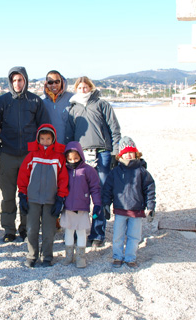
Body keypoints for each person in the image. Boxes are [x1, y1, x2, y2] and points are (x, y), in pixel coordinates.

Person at [0, 66, 51, 242]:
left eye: (20, 80)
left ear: (25, 80)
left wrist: (38, 153)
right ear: (10, 82)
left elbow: (44, 128)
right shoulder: (1, 101)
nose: (17, 83)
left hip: (29, 156)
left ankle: (25, 228)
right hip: (7, 155)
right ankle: (9, 230)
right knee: (8, 195)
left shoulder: (35, 101)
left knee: (27, 193)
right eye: (14, 80)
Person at [65, 76, 121, 247]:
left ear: (90, 87)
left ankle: (98, 233)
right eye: (80, 87)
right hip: (80, 157)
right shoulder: (72, 109)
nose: (83, 89)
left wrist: (115, 153)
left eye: (85, 87)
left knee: (101, 194)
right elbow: (69, 134)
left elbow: (115, 129)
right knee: (79, 193)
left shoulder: (102, 104)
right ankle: (77, 230)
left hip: (102, 152)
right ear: (76, 89)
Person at [17, 124, 69, 268]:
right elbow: (23, 176)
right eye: (42, 138)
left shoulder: (59, 157)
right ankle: (32, 255)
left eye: (48, 138)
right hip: (33, 199)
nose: (45, 141)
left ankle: (47, 256)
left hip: (50, 200)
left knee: (49, 231)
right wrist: (22, 194)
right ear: (38, 139)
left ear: (53, 139)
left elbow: (63, 179)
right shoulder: (32, 156)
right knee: (32, 229)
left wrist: (60, 198)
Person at [102, 136, 156, 269]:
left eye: (131, 151)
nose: (128, 154)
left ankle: (130, 257)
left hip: (136, 210)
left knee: (134, 236)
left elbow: (149, 190)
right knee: (118, 235)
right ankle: (117, 256)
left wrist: (150, 207)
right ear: (120, 155)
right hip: (120, 210)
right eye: (125, 152)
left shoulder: (142, 172)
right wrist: (106, 206)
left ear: (136, 153)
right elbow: (107, 190)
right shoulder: (115, 172)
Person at [61, 141, 101, 268]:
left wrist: (97, 204)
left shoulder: (88, 170)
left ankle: (80, 256)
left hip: (82, 207)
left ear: (81, 156)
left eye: (76, 158)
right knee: (68, 231)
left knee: (81, 232)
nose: (73, 161)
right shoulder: (64, 170)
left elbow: (95, 188)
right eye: (70, 159)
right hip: (67, 207)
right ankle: (68, 255)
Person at [41, 70, 73, 144]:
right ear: (46, 84)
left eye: (57, 82)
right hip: (49, 147)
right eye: (50, 82)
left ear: (62, 82)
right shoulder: (41, 101)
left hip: (68, 147)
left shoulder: (72, 99)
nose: (54, 85)